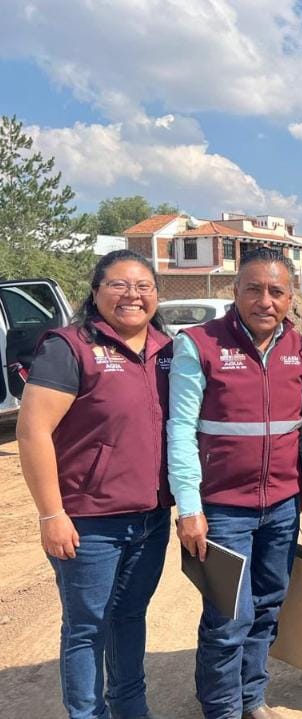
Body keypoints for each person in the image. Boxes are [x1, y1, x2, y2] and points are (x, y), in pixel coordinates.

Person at [17, 249, 173, 719]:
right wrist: (51, 513)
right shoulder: (70, 348)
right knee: (87, 627)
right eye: (119, 285)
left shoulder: (167, 350)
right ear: (95, 291)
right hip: (89, 523)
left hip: (150, 518)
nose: (132, 295)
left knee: (129, 617)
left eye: (143, 286)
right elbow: (33, 431)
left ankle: (131, 708)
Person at [167, 248, 302, 719]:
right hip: (223, 510)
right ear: (235, 292)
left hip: (282, 508)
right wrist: (190, 508)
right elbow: (180, 430)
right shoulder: (199, 344)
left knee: (267, 608)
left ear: (290, 298)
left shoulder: (300, 350)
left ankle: (252, 697)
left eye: (276, 291)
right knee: (228, 616)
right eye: (254, 289)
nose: (265, 301)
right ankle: (222, 708)